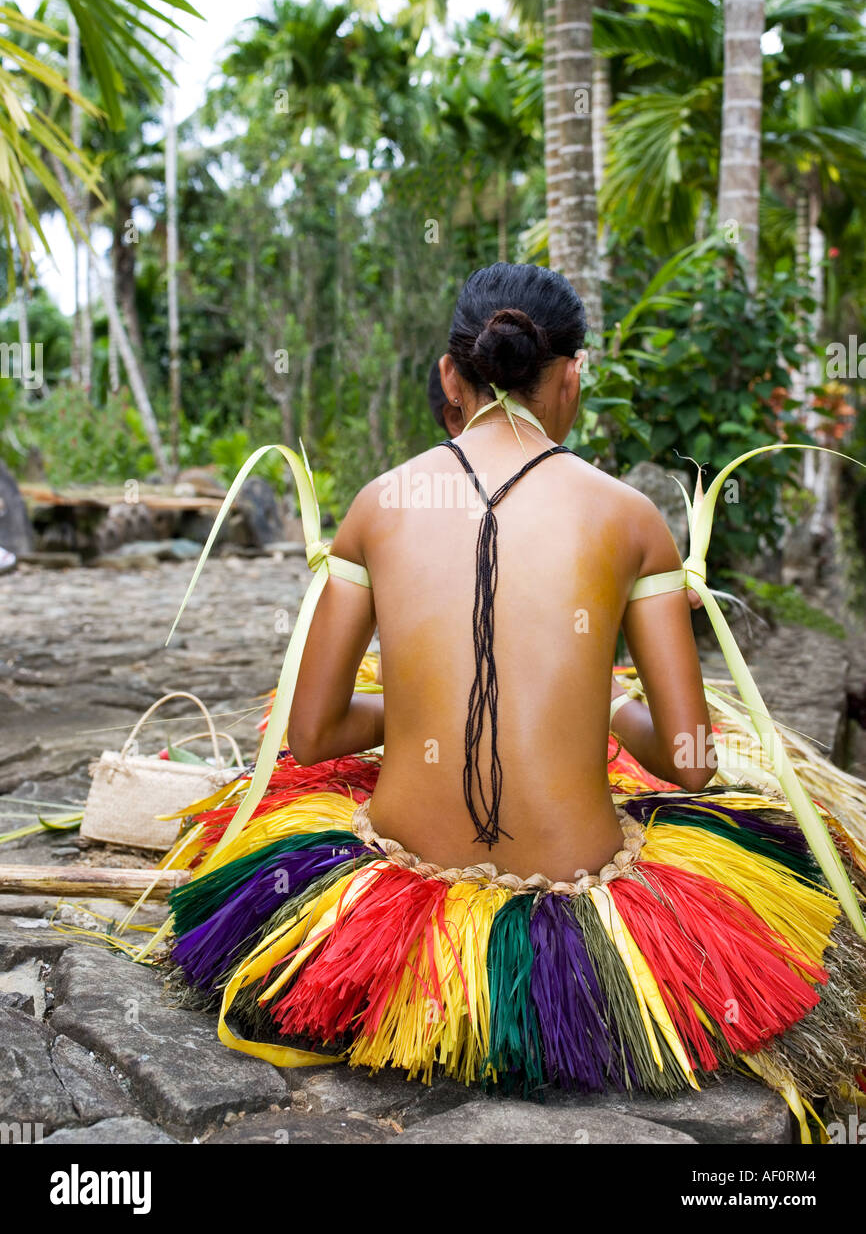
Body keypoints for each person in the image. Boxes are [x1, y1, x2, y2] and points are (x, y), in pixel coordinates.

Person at [165, 263, 866, 1136]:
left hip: (390, 922)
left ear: (451, 376)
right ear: (571, 376)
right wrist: (604, 709)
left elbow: (309, 735)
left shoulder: (378, 504)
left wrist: (421, 711)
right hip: (584, 922)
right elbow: (689, 759)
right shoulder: (631, 516)